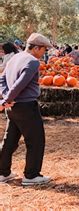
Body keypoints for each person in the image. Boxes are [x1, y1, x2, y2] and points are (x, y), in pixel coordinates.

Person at [0, 33, 53, 186]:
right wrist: (6, 100)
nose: (44, 53)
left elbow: (2, 80)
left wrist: (6, 99)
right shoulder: (32, 62)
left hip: (13, 108)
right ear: (36, 48)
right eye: (44, 49)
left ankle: (2, 172)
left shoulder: (14, 58)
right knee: (36, 141)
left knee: (9, 140)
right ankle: (31, 175)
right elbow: (20, 84)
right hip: (26, 107)